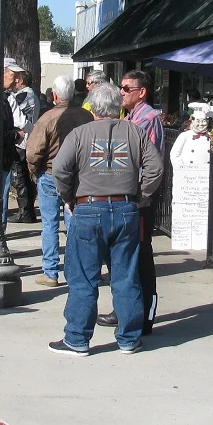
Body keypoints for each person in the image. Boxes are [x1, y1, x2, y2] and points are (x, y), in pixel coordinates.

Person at [49, 83, 163, 355]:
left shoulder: (79, 134)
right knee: (125, 276)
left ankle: (76, 339)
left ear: (93, 107)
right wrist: (141, 195)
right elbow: (155, 168)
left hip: (87, 208)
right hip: (126, 208)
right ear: (116, 106)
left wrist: (68, 198)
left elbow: (60, 169)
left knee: (83, 277)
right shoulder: (134, 132)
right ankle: (129, 338)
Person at [94, 69, 165, 333]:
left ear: (141, 92)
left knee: (142, 257)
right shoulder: (131, 117)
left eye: (126, 88)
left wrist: (141, 195)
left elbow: (147, 166)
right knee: (125, 256)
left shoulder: (146, 119)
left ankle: (144, 316)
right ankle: (125, 309)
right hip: (128, 197)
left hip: (140, 200)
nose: (121, 92)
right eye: (120, 88)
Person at [25, 75, 93, 287]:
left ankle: (51, 271)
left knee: (50, 224)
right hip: (78, 176)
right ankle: (76, 270)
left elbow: (33, 152)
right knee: (75, 224)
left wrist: (34, 172)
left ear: (54, 95)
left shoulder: (47, 118)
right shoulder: (86, 116)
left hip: (50, 174)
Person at [3, 64, 39, 224]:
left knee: (20, 177)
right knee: (24, 176)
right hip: (26, 140)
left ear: (21, 81)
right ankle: (27, 211)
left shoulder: (22, 96)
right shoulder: (32, 96)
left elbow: (17, 119)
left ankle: (25, 212)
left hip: (22, 141)